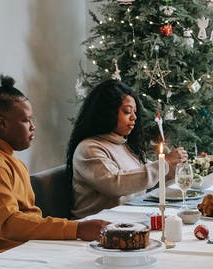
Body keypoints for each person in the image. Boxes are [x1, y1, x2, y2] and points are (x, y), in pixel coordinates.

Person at [0, 75, 107, 267]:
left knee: (102, 256)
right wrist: (77, 229)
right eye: (26, 120)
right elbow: (9, 224)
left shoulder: (3, 156)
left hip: (25, 249)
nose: (33, 127)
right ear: (2, 124)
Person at [66, 79, 188, 218]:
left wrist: (173, 168)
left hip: (128, 221)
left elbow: (147, 182)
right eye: (127, 112)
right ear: (107, 112)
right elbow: (116, 184)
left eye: (135, 112)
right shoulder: (88, 149)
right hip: (95, 227)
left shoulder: (125, 145)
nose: (134, 117)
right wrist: (163, 164)